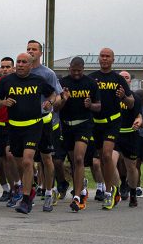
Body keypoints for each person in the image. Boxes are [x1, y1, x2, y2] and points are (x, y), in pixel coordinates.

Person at [0, 52, 56, 214]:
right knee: (20, 163)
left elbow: (53, 93)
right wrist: (4, 102)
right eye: (19, 62)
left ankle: (26, 200)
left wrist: (49, 103)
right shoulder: (7, 81)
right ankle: (30, 186)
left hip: (34, 126)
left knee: (28, 161)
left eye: (24, 62)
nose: (20, 64)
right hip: (14, 127)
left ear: (30, 65)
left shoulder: (38, 80)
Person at [88, 48, 134, 210]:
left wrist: (123, 97)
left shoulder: (118, 79)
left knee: (107, 155)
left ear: (113, 60)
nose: (104, 59)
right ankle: (113, 187)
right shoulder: (91, 78)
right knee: (101, 158)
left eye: (108, 56)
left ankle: (109, 192)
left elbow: (131, 103)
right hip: (96, 123)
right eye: (102, 56)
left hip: (113, 122)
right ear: (98, 59)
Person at [56, 56, 101, 212]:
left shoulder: (90, 83)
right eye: (73, 70)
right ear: (69, 68)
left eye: (79, 71)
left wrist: (90, 105)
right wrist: (63, 99)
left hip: (84, 125)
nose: (76, 73)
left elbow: (98, 106)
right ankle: (81, 189)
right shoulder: (63, 83)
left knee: (79, 158)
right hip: (67, 125)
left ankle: (76, 197)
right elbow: (56, 108)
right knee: (74, 162)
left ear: (83, 69)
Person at [26, 40, 61, 212]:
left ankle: (49, 192)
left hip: (45, 122)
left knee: (46, 159)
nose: (30, 52)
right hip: (25, 122)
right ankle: (27, 193)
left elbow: (58, 96)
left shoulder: (47, 74)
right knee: (26, 159)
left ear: (41, 53)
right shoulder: (21, 73)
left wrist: (51, 104)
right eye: (28, 49)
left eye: (34, 49)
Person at [0, 57, 21, 203]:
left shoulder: (19, 82)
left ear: (13, 68)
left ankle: (18, 186)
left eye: (8, 67)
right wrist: (1, 103)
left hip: (14, 125)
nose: (5, 70)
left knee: (10, 155)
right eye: (2, 67)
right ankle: (7, 189)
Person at [116, 71, 142, 207]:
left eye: (127, 78)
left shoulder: (135, 97)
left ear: (130, 81)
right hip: (114, 133)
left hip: (130, 134)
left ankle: (132, 193)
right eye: (122, 77)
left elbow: (139, 115)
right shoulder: (112, 96)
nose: (124, 79)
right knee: (111, 160)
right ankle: (115, 190)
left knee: (131, 166)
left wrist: (138, 121)